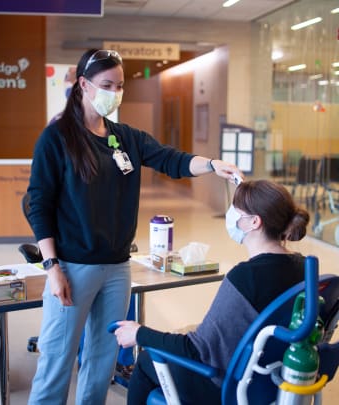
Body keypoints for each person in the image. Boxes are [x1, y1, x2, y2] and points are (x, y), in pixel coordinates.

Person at [26, 48, 242, 405]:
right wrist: (52, 268)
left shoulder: (124, 137)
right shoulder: (57, 139)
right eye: (107, 84)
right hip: (72, 266)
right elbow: (39, 205)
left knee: (102, 360)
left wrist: (212, 164)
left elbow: (171, 159)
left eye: (120, 85)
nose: (115, 92)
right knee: (57, 359)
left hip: (116, 267)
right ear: (83, 85)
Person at [114, 179, 310, 405]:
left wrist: (139, 333)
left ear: (254, 222)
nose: (232, 215)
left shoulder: (245, 278)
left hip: (229, 388)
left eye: (237, 210)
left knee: (147, 359)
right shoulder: (303, 267)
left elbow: (196, 349)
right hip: (274, 381)